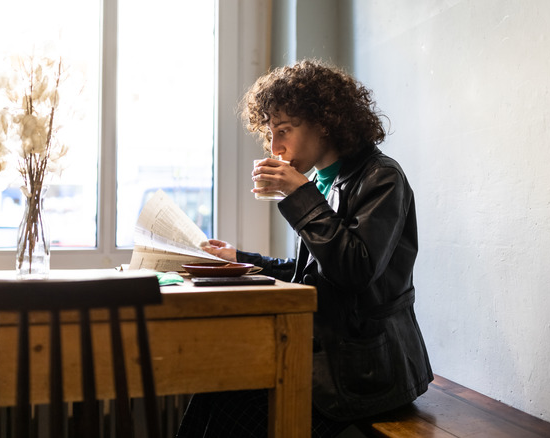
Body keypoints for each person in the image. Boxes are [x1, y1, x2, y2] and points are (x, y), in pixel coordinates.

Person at [176, 59, 433, 438]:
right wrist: (238, 259)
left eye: (284, 130)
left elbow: (355, 270)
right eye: (270, 134)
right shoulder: (321, 180)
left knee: (236, 411)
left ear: (324, 122)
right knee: (215, 389)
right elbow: (308, 273)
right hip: (328, 357)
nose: (275, 146)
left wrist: (299, 194)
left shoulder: (382, 178)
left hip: (367, 370)